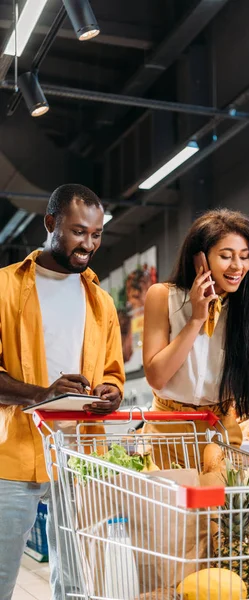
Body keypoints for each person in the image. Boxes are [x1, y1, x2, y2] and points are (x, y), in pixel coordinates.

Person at [0, 184, 125, 600]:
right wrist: (41, 394)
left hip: (79, 455)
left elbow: (113, 372)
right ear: (51, 223)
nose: (88, 244)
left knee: (76, 581)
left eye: (96, 234)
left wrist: (112, 392)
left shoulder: (101, 301)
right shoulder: (4, 288)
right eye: (77, 231)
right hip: (13, 452)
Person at [143, 208, 249, 467]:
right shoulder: (162, 297)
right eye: (226, 256)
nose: (238, 267)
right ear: (200, 259)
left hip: (221, 434)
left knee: (221, 507)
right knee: (170, 507)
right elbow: (156, 376)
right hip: (166, 432)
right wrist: (196, 319)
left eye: (245, 257)